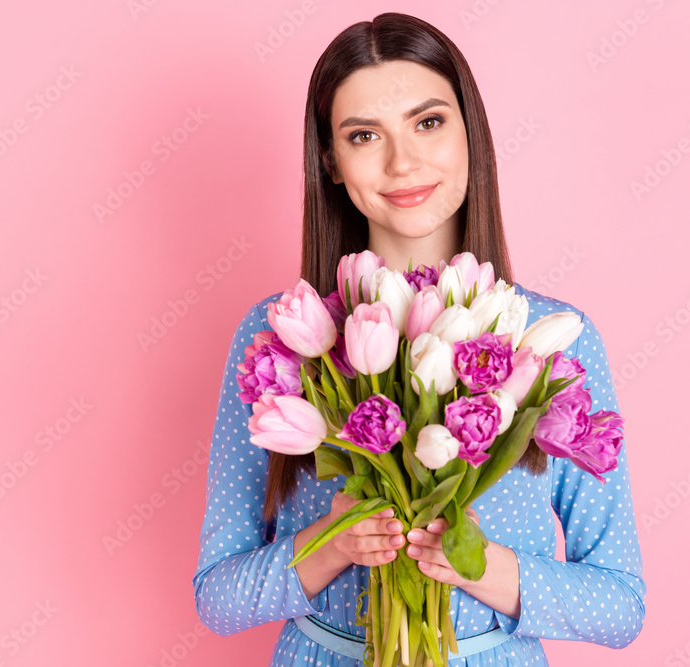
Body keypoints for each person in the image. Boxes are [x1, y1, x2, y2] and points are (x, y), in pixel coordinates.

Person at [193, 12, 645, 666]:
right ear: (331, 162)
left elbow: (621, 604)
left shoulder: (548, 340)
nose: (402, 161)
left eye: (428, 122)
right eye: (364, 135)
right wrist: (333, 544)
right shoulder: (283, 336)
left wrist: (479, 565)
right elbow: (218, 597)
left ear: (470, 135)